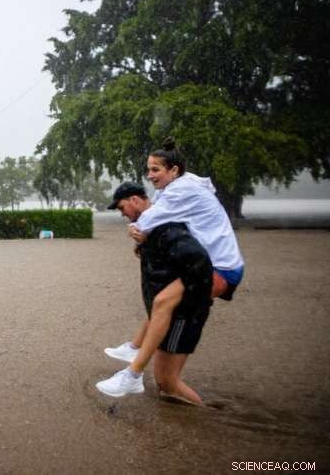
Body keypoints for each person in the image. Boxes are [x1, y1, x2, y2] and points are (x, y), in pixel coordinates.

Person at [104, 139, 245, 365]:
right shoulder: (174, 187)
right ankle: (135, 349)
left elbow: (147, 221)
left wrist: (136, 229)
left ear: (174, 170)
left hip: (221, 269)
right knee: (160, 302)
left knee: (163, 303)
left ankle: (136, 368)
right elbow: (153, 213)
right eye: (149, 169)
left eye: (155, 169)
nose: (149, 175)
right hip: (209, 265)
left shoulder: (182, 190)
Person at [95, 182, 214, 404]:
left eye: (122, 208)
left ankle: (208, 415)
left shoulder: (167, 227)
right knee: (165, 383)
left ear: (134, 200)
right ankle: (192, 413)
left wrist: (170, 301)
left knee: (168, 382)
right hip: (170, 315)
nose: (122, 214)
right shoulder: (151, 227)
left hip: (182, 315)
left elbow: (200, 261)